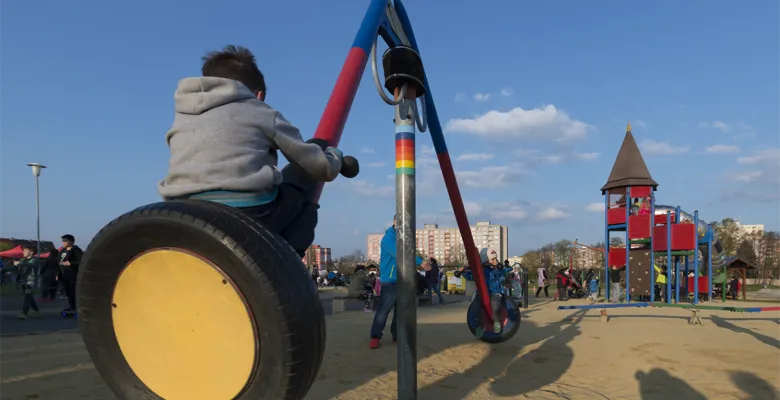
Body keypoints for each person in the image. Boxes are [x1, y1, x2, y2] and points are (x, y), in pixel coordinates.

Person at [157, 45, 348, 258]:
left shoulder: (182, 115)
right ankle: (289, 258)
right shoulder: (260, 111)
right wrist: (334, 158)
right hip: (249, 212)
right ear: (259, 95)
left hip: (184, 213)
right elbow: (317, 166)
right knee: (303, 183)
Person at [369, 215, 427, 349]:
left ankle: (396, 335)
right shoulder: (388, 239)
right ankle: (375, 336)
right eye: (401, 223)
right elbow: (401, 253)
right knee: (384, 310)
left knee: (400, 311)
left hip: (403, 280)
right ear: (395, 222)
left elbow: (407, 253)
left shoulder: (403, 238)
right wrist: (420, 261)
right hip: (390, 281)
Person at [457, 247, 506, 337]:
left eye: (496, 258)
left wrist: (500, 268)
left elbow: (502, 275)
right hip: (482, 292)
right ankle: (479, 325)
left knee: (495, 304)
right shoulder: (481, 269)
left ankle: (496, 321)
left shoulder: (497, 269)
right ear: (486, 260)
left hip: (495, 291)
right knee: (476, 306)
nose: (495, 261)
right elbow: (471, 276)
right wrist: (463, 271)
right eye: (492, 259)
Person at [14, 245, 40, 319]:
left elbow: (32, 265)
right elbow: (14, 268)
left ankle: (24, 313)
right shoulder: (23, 260)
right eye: (23, 250)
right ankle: (36, 310)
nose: (23, 252)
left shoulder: (35, 260)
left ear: (31, 252)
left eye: (25, 251)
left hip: (31, 281)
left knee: (27, 296)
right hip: (24, 281)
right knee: (29, 296)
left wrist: (21, 263)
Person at [59, 234, 83, 314]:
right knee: (68, 291)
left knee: (73, 291)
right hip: (64, 274)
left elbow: (81, 261)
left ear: (71, 241)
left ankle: (77, 307)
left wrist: (71, 263)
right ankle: (71, 306)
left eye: (65, 240)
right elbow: (58, 262)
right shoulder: (63, 251)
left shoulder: (76, 250)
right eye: (63, 241)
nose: (63, 242)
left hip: (73, 274)